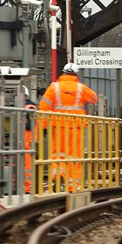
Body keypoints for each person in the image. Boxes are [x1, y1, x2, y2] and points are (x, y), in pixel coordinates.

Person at [39, 63, 98, 192]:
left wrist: (43, 126)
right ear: (76, 74)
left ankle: (57, 175)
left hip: (58, 126)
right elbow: (94, 98)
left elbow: (44, 107)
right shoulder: (81, 88)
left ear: (63, 73)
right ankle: (72, 185)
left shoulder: (54, 87)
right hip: (76, 127)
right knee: (74, 157)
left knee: (57, 154)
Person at [23, 86, 36, 193]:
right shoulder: (26, 106)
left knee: (27, 164)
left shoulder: (29, 107)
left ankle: (27, 187)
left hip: (27, 140)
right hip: (23, 139)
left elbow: (30, 124)